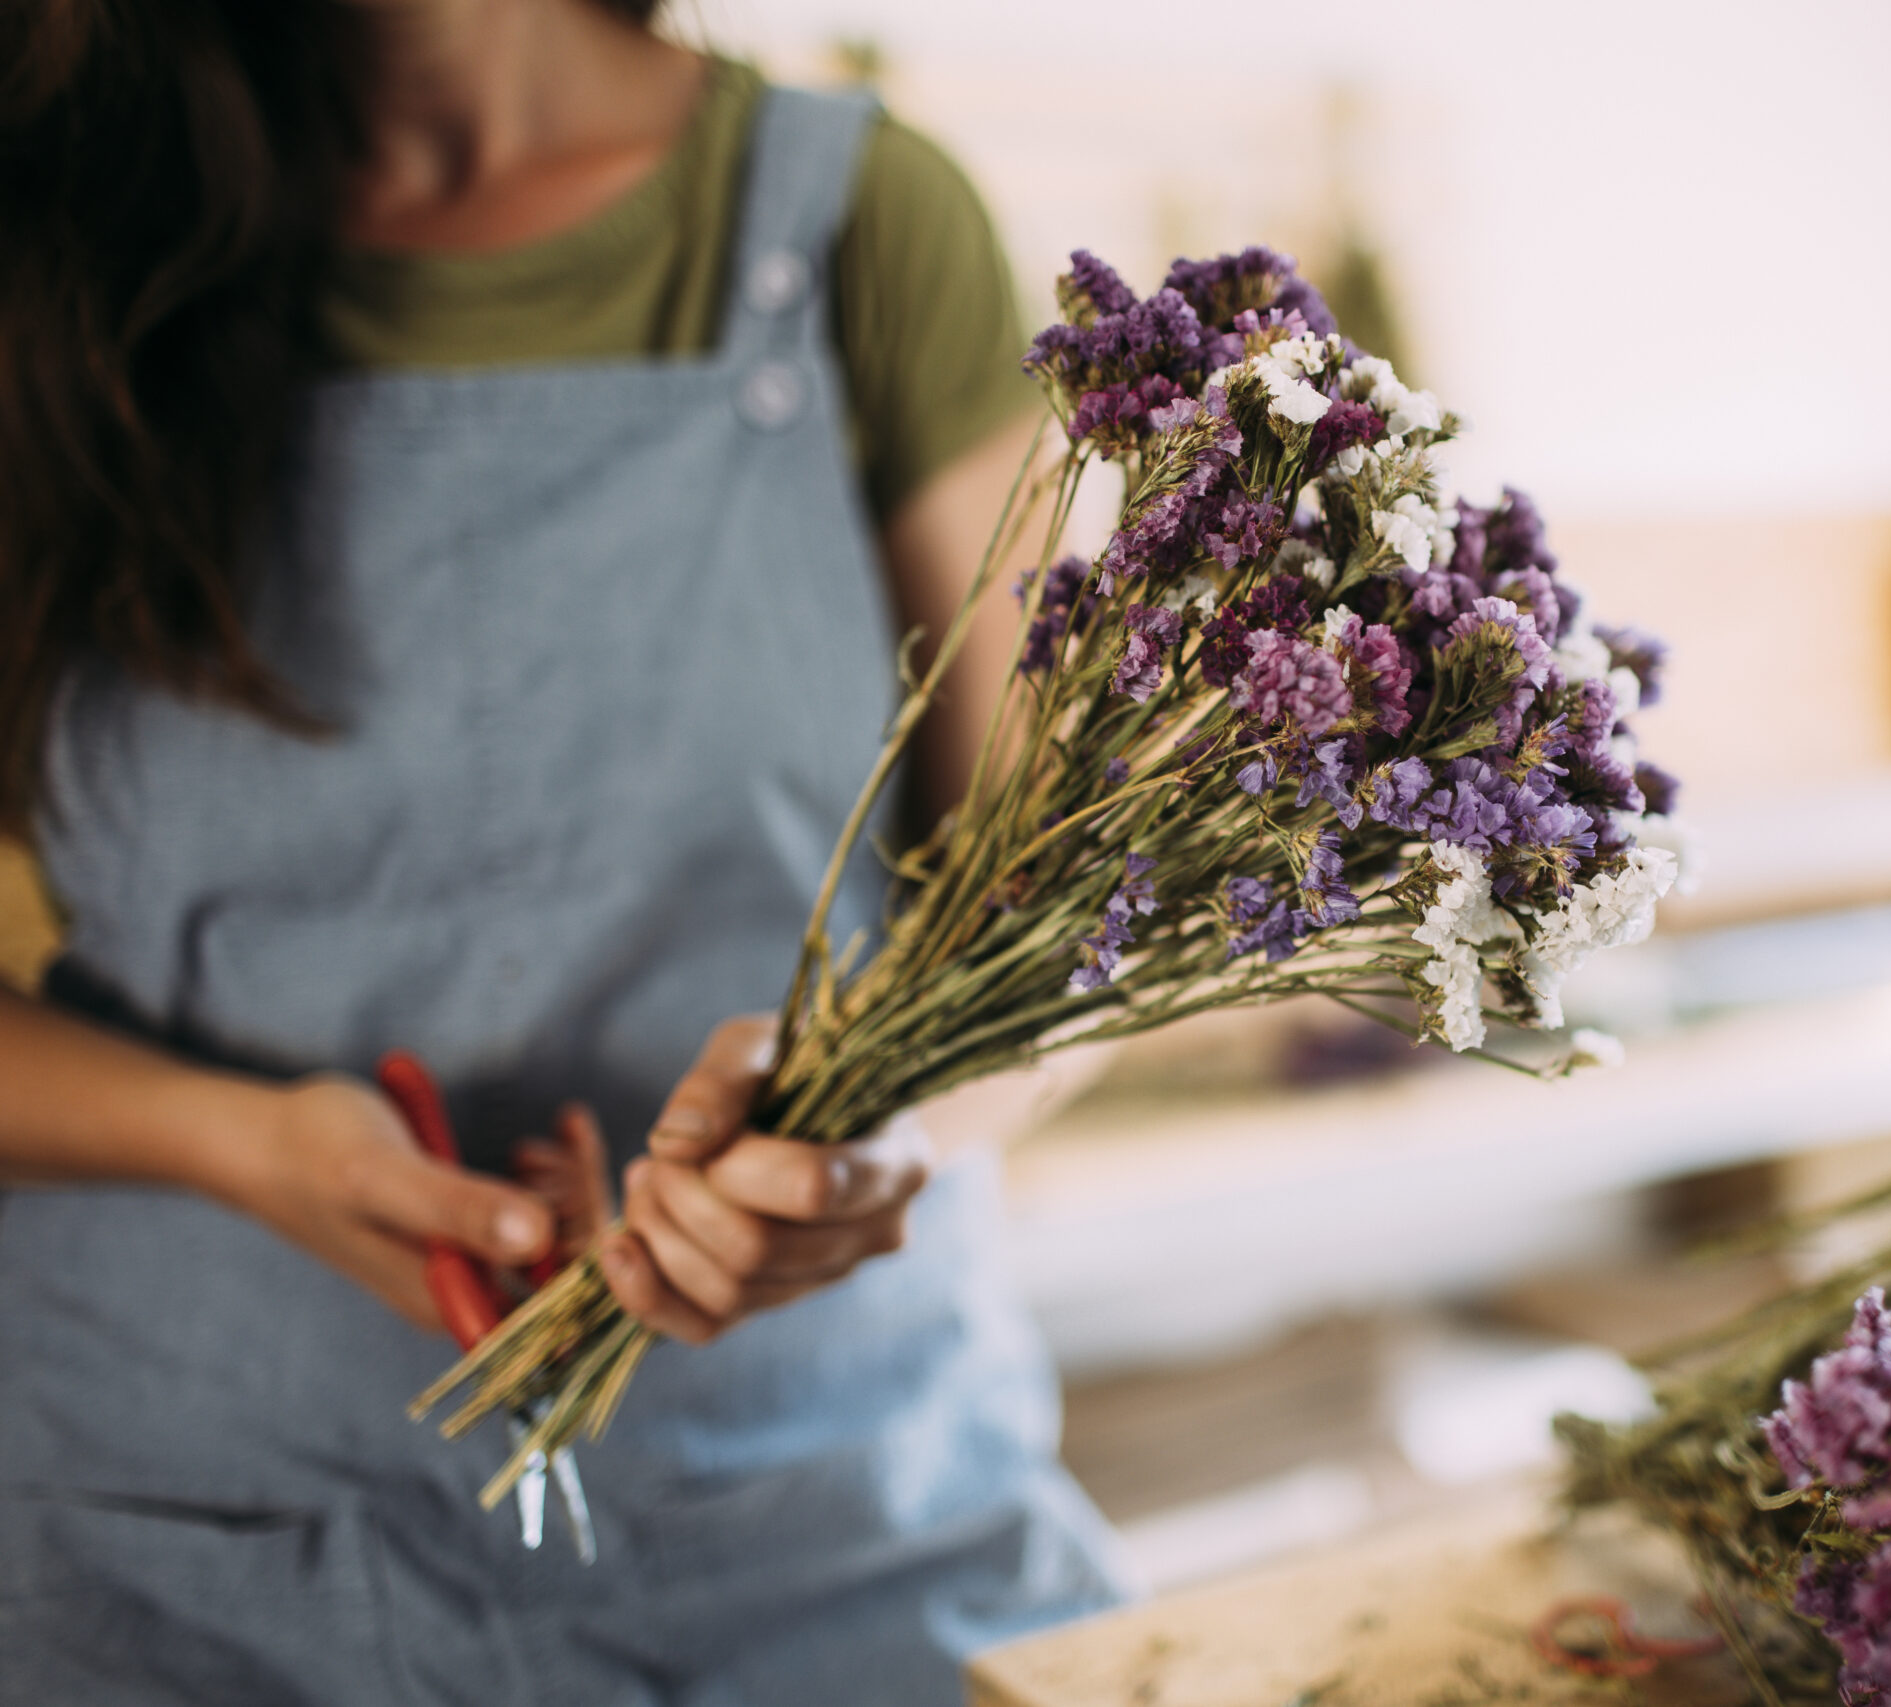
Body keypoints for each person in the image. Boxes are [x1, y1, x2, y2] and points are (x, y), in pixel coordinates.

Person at [0, 2, 1127, 1700]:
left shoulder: (869, 230)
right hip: (184, 1565)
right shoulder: (51, 256)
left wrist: (875, 1138)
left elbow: (1067, 931)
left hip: (824, 1537)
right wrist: (238, 1143)